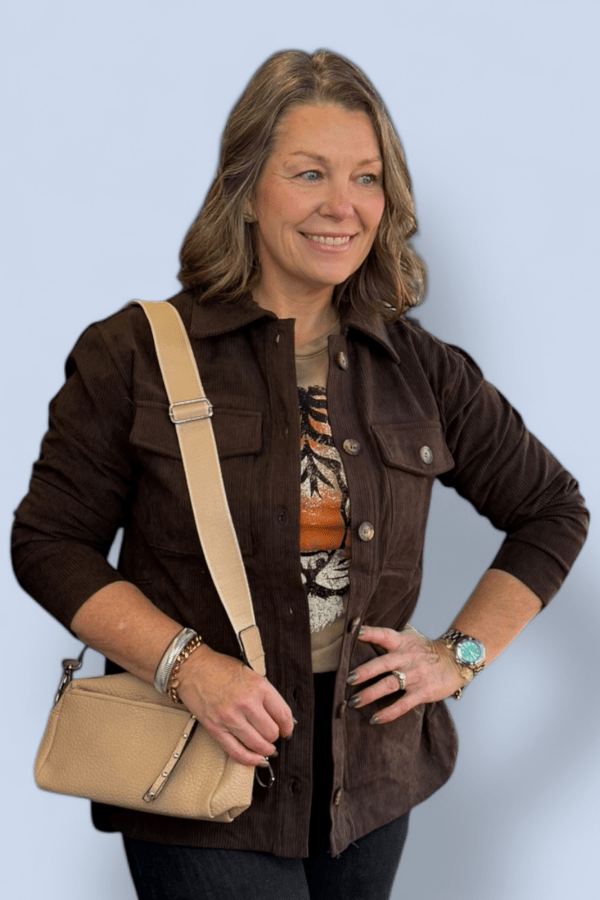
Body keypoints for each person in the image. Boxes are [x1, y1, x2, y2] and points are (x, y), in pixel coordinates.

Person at [12, 48, 588, 900]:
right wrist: (187, 665)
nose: (341, 206)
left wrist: (458, 656)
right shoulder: (134, 355)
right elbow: (48, 542)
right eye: (309, 173)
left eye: (365, 177)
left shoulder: (420, 367)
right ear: (246, 190)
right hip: (199, 760)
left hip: (372, 781)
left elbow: (552, 508)